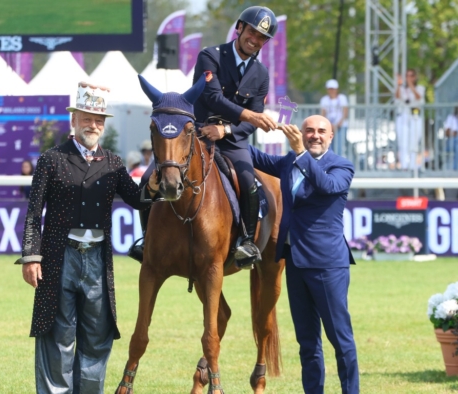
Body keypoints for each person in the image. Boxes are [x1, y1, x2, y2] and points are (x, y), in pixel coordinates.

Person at [16, 82, 153, 394]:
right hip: (58, 257)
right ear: (73, 120)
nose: (94, 125)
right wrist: (31, 256)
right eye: (87, 118)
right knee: (58, 335)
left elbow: (140, 199)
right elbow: (34, 213)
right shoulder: (51, 159)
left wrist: (162, 175)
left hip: (97, 259)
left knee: (96, 334)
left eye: (99, 120)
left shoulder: (114, 163)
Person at [130, 6, 280, 268]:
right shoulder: (210, 56)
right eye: (253, 32)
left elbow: (251, 124)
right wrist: (249, 115)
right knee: (147, 176)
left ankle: (245, 241)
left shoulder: (262, 74)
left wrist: (227, 130)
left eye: (262, 38)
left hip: (233, 141)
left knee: (249, 182)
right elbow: (211, 97)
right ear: (240, 28)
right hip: (197, 135)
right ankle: (147, 240)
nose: (255, 40)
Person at [249, 115, 358, 394]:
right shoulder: (288, 162)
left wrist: (299, 152)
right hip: (294, 262)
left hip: (327, 266)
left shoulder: (341, 166)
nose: (315, 135)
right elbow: (252, 155)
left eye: (322, 131)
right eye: (309, 130)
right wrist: (229, 126)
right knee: (307, 343)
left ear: (331, 136)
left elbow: (326, 186)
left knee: (340, 339)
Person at [395, 69, 426, 170]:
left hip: (415, 116)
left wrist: (410, 85)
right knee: (403, 142)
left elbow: (418, 97)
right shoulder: (402, 89)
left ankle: (413, 166)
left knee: (414, 142)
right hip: (403, 116)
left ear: (415, 77)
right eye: (407, 76)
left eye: (411, 75)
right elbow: (397, 97)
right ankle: (404, 166)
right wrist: (399, 85)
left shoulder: (420, 88)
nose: (409, 78)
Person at [320, 79, 348, 153]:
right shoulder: (324, 99)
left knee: (339, 146)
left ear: (336, 89)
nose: (331, 91)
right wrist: (329, 125)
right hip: (329, 126)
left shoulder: (342, 98)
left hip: (341, 125)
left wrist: (339, 123)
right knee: (328, 146)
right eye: (330, 89)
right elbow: (323, 113)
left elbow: (345, 111)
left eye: (333, 89)